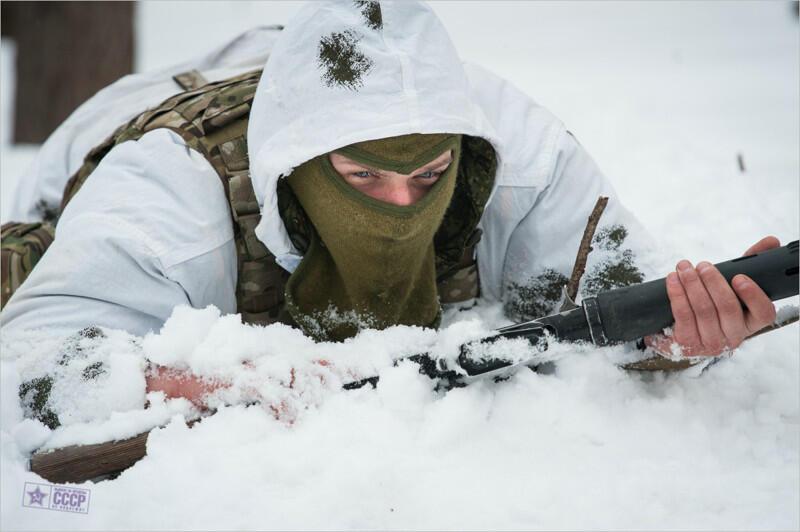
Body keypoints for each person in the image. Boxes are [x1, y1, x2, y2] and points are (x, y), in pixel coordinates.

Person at [1, 1, 778, 412]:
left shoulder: (511, 157)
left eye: (429, 173)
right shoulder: (169, 193)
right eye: (364, 179)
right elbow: (32, 368)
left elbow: (620, 299)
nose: (403, 203)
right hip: (112, 130)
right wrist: (242, 387)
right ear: (299, 170)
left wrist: (684, 336)